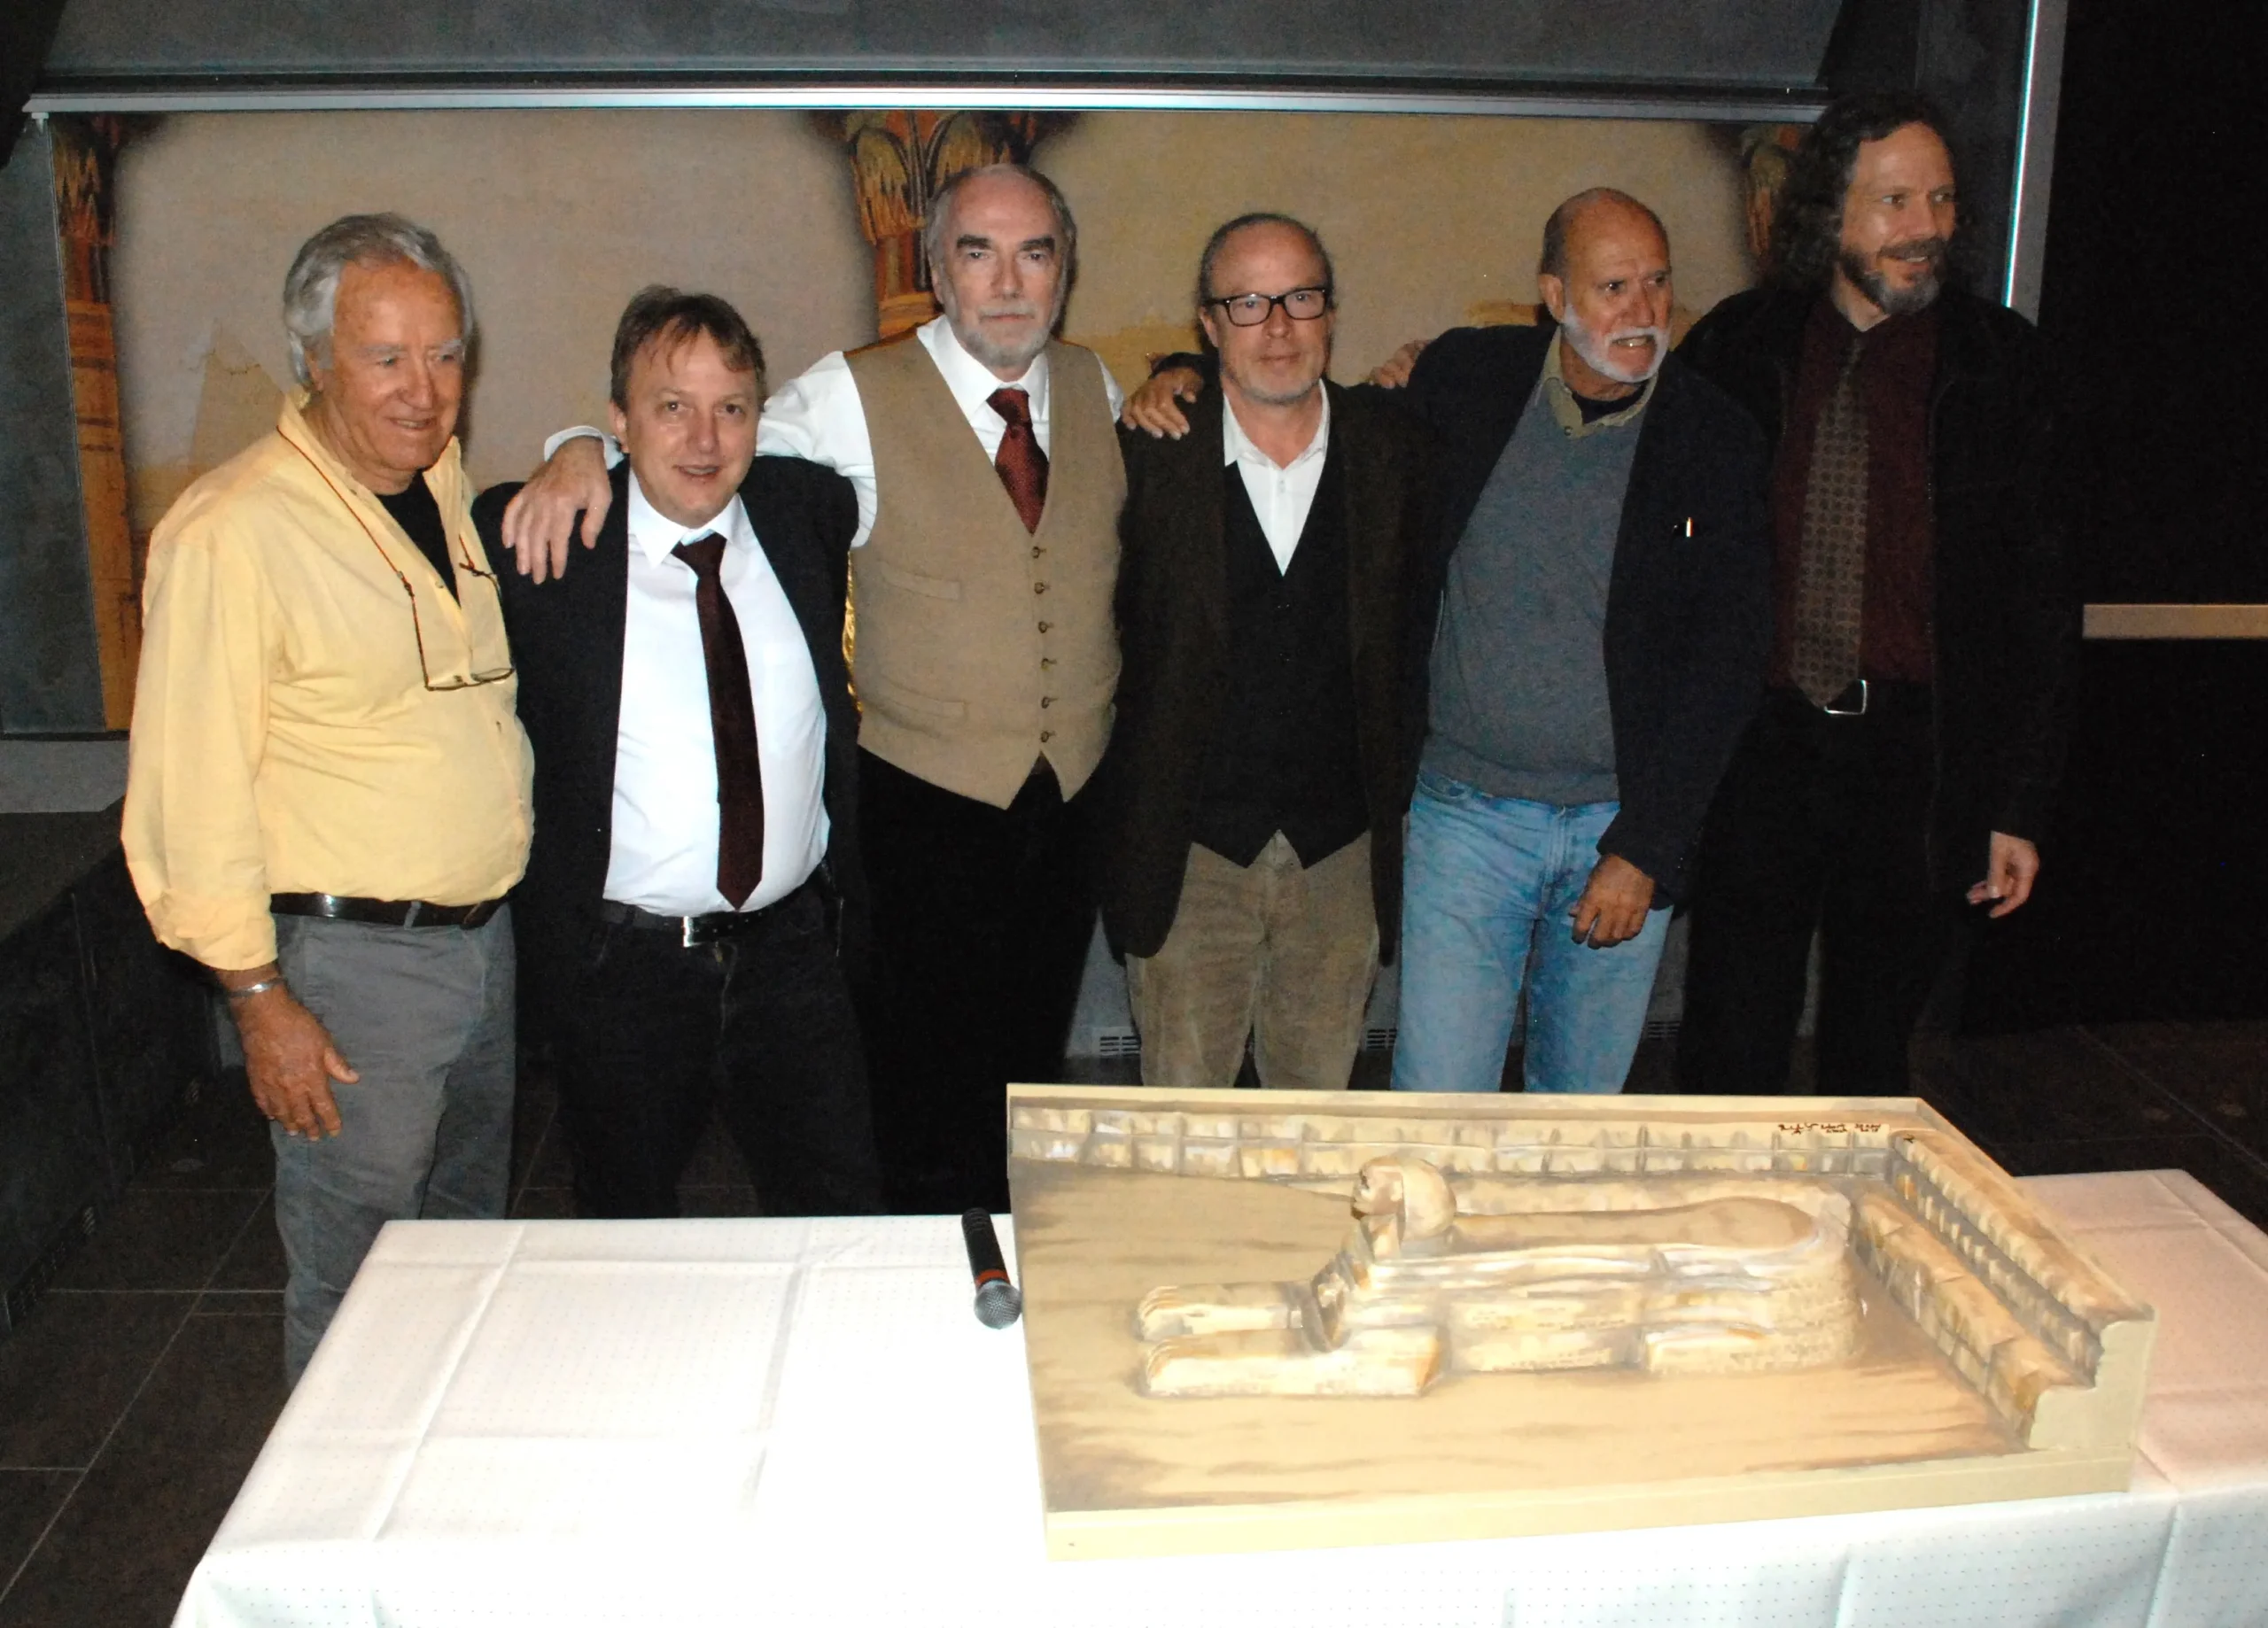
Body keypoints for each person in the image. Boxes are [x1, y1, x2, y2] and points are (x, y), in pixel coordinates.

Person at [500, 165, 1124, 1213]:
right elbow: (699, 446)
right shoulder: (844, 396)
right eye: (977, 252)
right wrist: (579, 451)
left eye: (1035, 252)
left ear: (1065, 269)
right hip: (922, 806)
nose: (1009, 281)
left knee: (1016, 1087)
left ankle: (999, 1268)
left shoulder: (1098, 388)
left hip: (1065, 809)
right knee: (908, 1106)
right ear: (936, 271)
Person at [1133, 189, 1773, 1095]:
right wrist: (1180, 375)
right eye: (1613, 287)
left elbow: (1727, 662)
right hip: (1465, 821)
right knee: (1435, 1104)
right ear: (1554, 295)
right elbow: (1303, 402)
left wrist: (1649, 845)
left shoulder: (1716, 439)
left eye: (1658, 283)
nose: (1642, 310)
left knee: (1578, 1111)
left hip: (1618, 830)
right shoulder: (1469, 381)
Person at [122, 214, 531, 1382]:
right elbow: (185, 788)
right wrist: (260, 1000)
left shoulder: (436, 484)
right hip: (351, 973)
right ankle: (334, 1500)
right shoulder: (234, 529)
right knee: (356, 1284)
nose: (423, 389)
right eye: (384, 356)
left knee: (461, 1253)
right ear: (312, 358)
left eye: (444, 354)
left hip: (478, 948)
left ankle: (440, 1466)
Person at [1673, 92, 2077, 1097]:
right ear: (1828, 214)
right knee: (1729, 1043)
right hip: (1759, 746)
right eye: (1894, 201)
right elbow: (1661, 542)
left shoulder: (2004, 367)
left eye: (1940, 200)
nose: (1924, 227)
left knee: (1871, 1058)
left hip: (1919, 758)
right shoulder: (1738, 347)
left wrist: (2017, 805)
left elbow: (2040, 606)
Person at [475, 287, 881, 1219]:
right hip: (626, 973)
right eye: (671, 407)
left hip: (791, 957)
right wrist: (572, 449)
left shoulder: (803, 514)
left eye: (730, 408)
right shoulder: (549, 546)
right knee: (627, 1232)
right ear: (620, 422)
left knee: (841, 1214)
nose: (704, 439)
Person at [1100, 213, 1426, 1089]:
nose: (1278, 326)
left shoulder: (1394, 450)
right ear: (1209, 324)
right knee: (1185, 1127)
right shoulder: (1146, 455)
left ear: (1331, 312)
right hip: (1189, 855)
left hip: (1341, 858)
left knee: (1311, 1125)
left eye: (1300, 298)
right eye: (1248, 303)